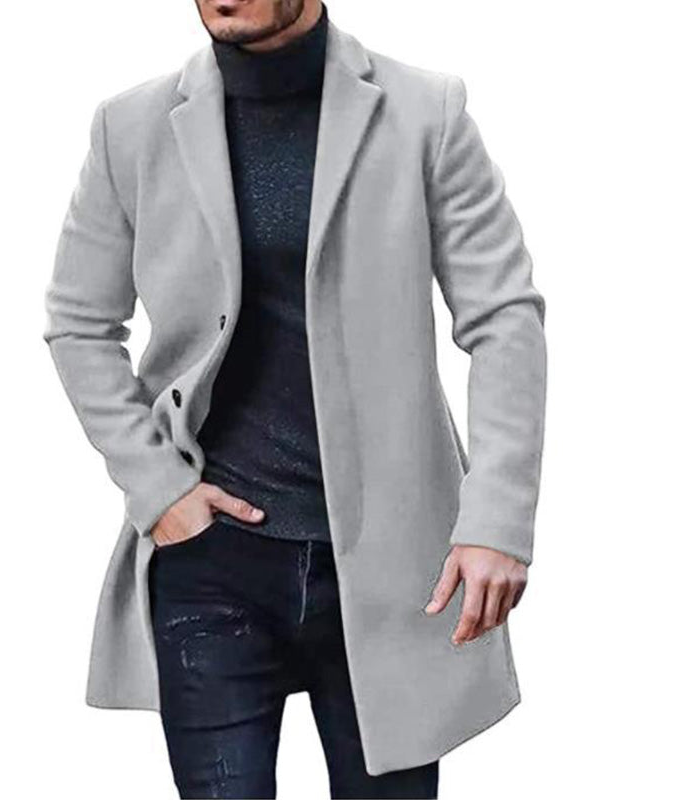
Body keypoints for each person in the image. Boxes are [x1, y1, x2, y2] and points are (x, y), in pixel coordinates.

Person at [42, 1, 547, 797]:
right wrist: (159, 488)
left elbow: (504, 316)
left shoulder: (427, 112)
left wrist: (497, 521)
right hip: (211, 564)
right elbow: (78, 322)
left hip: (390, 565)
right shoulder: (130, 127)